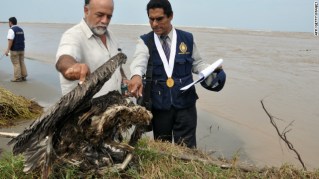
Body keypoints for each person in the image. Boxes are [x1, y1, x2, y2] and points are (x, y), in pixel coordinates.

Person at [128, 0, 226, 148]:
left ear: (170, 16)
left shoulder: (187, 38)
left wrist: (211, 69)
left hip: (186, 105)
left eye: (159, 19)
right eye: (151, 19)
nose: (154, 24)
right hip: (160, 106)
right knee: (163, 149)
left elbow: (197, 63)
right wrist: (136, 76)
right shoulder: (145, 41)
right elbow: (139, 62)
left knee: (187, 149)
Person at [56, 0, 127, 97]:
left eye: (109, 16)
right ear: (86, 10)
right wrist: (73, 67)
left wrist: (124, 79)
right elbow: (63, 60)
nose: (105, 21)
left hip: (116, 106)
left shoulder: (112, 37)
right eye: (100, 15)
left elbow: (117, 65)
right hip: (88, 110)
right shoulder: (73, 35)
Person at [5, 17, 28, 82]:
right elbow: (23, 39)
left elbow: (10, 40)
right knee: (22, 62)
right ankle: (24, 76)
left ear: (11, 22)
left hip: (14, 50)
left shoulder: (11, 30)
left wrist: (7, 50)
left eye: (9, 22)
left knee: (16, 63)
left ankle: (17, 78)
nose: (8, 24)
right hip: (22, 49)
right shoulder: (21, 29)